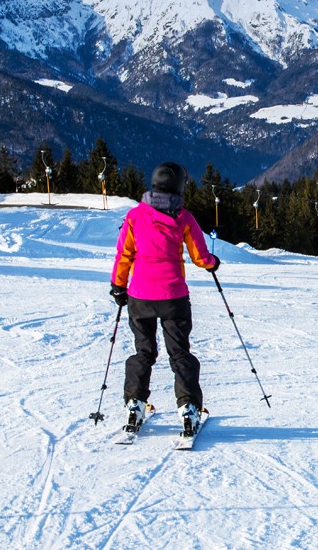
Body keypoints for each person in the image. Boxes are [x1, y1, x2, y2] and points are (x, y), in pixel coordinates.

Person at [109, 162, 220, 437]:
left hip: (140, 297)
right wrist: (212, 263)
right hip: (173, 298)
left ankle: (135, 403)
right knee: (179, 353)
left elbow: (124, 254)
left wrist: (118, 286)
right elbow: (199, 256)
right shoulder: (183, 217)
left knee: (143, 352)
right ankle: (188, 409)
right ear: (179, 186)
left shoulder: (135, 216)